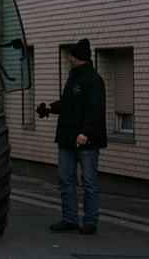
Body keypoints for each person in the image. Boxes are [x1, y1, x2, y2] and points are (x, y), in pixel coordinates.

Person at [37, 39, 107, 235]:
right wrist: (50, 108)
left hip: (85, 140)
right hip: (67, 138)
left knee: (89, 182)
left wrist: (86, 133)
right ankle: (70, 219)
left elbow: (95, 109)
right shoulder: (73, 78)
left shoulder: (93, 80)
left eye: (71, 55)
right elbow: (69, 104)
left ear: (79, 58)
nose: (68, 58)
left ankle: (90, 222)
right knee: (66, 180)